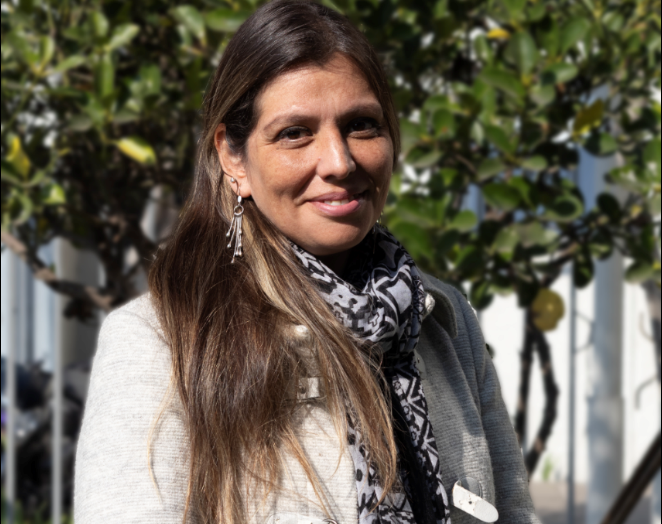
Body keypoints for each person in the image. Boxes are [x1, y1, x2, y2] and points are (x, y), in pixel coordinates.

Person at [74, 1, 540, 523]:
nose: (339, 161)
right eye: (295, 133)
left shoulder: (440, 321)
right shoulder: (161, 339)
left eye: (361, 125)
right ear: (233, 157)